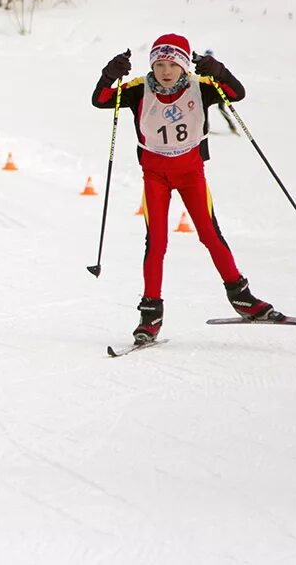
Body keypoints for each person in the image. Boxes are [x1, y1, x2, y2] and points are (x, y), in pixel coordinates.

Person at [93, 34, 282, 344]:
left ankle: (242, 298)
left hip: (191, 173)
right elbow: (100, 100)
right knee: (157, 242)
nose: (166, 71)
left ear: (184, 66)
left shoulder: (200, 87)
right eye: (160, 64)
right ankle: (150, 314)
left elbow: (237, 93)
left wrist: (218, 71)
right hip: (155, 175)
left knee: (209, 234)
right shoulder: (139, 88)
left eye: (173, 64)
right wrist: (109, 74)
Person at [202, 49, 239, 135]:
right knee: (205, 109)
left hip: (219, 92)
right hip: (210, 92)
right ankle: (206, 128)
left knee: (221, 108)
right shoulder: (203, 67)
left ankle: (232, 126)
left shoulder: (215, 66)